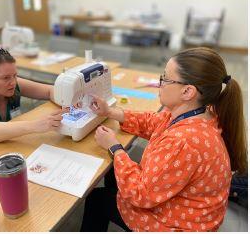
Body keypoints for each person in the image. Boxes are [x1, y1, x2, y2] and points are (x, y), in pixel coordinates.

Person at [80, 47, 247, 231]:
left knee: (97, 199)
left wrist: (115, 148)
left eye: (166, 79)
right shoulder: (200, 113)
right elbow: (154, 122)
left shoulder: (183, 141)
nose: (160, 83)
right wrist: (110, 112)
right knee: (114, 175)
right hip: (192, 209)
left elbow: (141, 194)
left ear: (187, 92)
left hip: (180, 224)